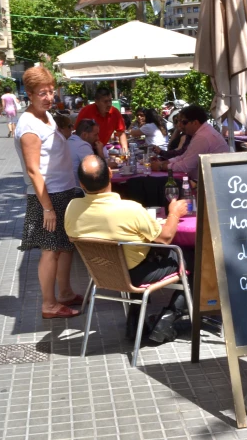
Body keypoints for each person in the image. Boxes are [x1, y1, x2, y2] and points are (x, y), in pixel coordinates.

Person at [65, 154, 191, 342]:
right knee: (194, 259)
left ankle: (135, 322)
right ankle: (167, 319)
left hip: (102, 272)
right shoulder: (129, 209)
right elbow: (165, 238)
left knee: (136, 255)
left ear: (81, 184)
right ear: (109, 174)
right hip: (135, 274)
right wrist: (174, 213)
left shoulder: (72, 208)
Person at [15, 67, 82, 319]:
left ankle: (64, 293)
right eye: (42, 93)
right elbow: (33, 170)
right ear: (30, 94)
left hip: (62, 190)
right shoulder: (29, 125)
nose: (48, 97)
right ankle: (49, 304)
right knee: (50, 250)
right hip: (47, 195)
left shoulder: (46, 116)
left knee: (64, 246)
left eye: (51, 91)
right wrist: (47, 208)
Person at [150, 105, 229, 177]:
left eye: (184, 122)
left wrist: (161, 166)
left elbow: (186, 166)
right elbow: (184, 156)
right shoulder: (202, 132)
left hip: (213, 184)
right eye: (179, 121)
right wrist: (164, 162)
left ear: (195, 122)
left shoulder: (203, 137)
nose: (179, 125)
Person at [74, 87, 128, 152]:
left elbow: (121, 133)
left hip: (101, 147)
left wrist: (125, 152)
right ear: (96, 102)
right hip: (85, 149)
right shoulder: (86, 111)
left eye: (110, 101)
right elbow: (76, 133)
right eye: (105, 101)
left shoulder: (115, 112)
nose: (109, 104)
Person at [67, 119, 101, 185]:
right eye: (95, 135)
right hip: (78, 191)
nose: (98, 138)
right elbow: (98, 170)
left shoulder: (68, 141)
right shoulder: (82, 146)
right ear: (84, 135)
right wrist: (100, 152)